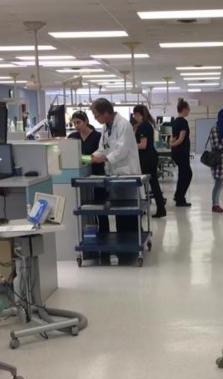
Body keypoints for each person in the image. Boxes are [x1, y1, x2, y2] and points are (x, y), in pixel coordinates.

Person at [90, 98, 141, 261]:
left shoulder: (124, 125)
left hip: (127, 174)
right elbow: (102, 148)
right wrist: (91, 157)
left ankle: (132, 251)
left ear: (106, 112)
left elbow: (121, 150)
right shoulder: (106, 127)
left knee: (129, 212)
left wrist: (103, 159)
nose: (95, 118)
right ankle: (123, 249)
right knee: (119, 212)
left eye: (97, 115)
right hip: (115, 175)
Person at [69, 110, 107, 234]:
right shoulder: (73, 137)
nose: (76, 126)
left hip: (97, 174)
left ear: (86, 121)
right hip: (81, 177)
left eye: (78, 122)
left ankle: (104, 233)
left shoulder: (97, 137)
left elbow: (100, 156)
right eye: (74, 123)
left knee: (101, 207)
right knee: (85, 207)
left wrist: (82, 158)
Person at [132, 104, 166, 219]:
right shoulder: (145, 125)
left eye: (136, 115)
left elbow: (143, 145)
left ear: (141, 115)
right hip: (150, 157)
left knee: (148, 184)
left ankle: (151, 209)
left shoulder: (144, 126)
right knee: (153, 183)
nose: (134, 117)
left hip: (147, 158)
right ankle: (161, 208)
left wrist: (131, 146)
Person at [170, 99, 192, 207]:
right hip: (182, 153)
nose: (189, 111)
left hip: (176, 153)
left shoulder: (174, 122)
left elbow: (173, 138)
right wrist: (173, 145)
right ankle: (179, 198)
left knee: (183, 174)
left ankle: (178, 196)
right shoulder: (183, 122)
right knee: (187, 174)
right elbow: (181, 139)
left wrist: (171, 144)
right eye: (188, 109)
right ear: (183, 109)